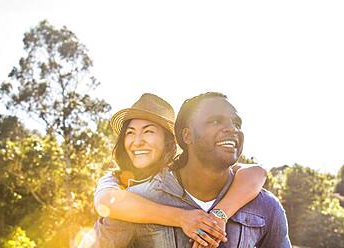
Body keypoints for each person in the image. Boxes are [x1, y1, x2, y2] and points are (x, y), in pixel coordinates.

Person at [93, 93, 272, 248]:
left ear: (169, 141)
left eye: (148, 132)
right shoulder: (116, 180)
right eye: (130, 132)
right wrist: (181, 218)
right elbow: (106, 202)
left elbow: (255, 173)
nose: (137, 141)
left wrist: (219, 216)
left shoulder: (183, 174)